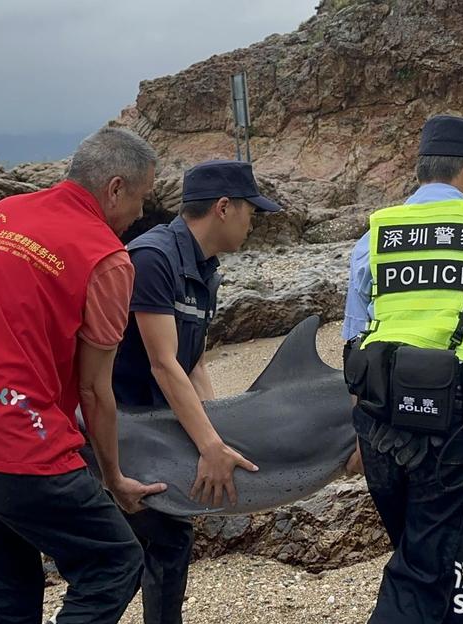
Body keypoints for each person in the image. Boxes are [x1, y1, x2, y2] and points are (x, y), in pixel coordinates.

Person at [0, 127, 168, 624]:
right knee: (113, 561)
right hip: (18, 444)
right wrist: (113, 478)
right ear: (114, 189)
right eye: (142, 199)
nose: (140, 216)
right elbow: (93, 390)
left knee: (4, 591)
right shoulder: (105, 258)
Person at [342, 115, 463, 623]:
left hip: (379, 422)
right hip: (452, 424)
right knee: (424, 568)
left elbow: (354, 338)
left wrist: (358, 436)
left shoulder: (376, 234)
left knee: (431, 558)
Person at [112, 159, 282, 624]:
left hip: (158, 428)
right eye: (251, 211)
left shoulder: (206, 268)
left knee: (163, 541)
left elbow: (195, 363)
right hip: (114, 427)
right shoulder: (152, 258)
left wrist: (221, 434)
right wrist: (208, 445)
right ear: (224, 208)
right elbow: (163, 364)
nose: (254, 222)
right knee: (151, 544)